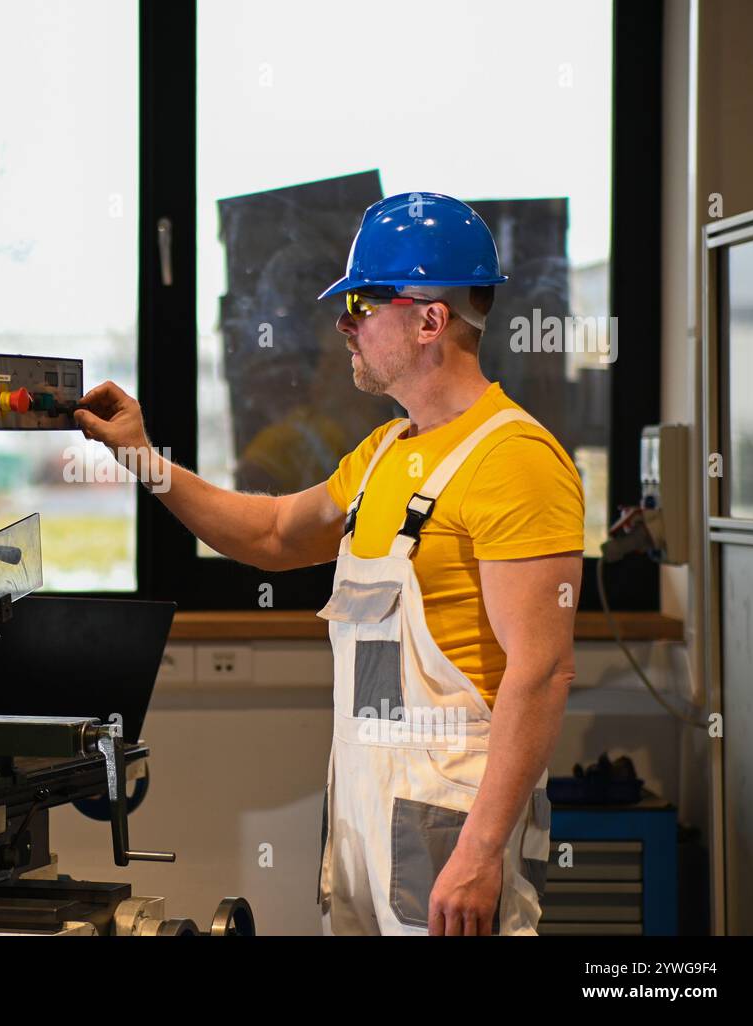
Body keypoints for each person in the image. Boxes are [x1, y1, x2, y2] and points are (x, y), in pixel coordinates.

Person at [74, 192, 584, 936]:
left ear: (429, 319)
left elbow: (542, 673)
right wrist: (144, 462)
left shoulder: (515, 461)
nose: (344, 325)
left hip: (453, 821)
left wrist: (479, 851)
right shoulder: (384, 456)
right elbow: (277, 534)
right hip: (362, 810)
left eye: (363, 304)